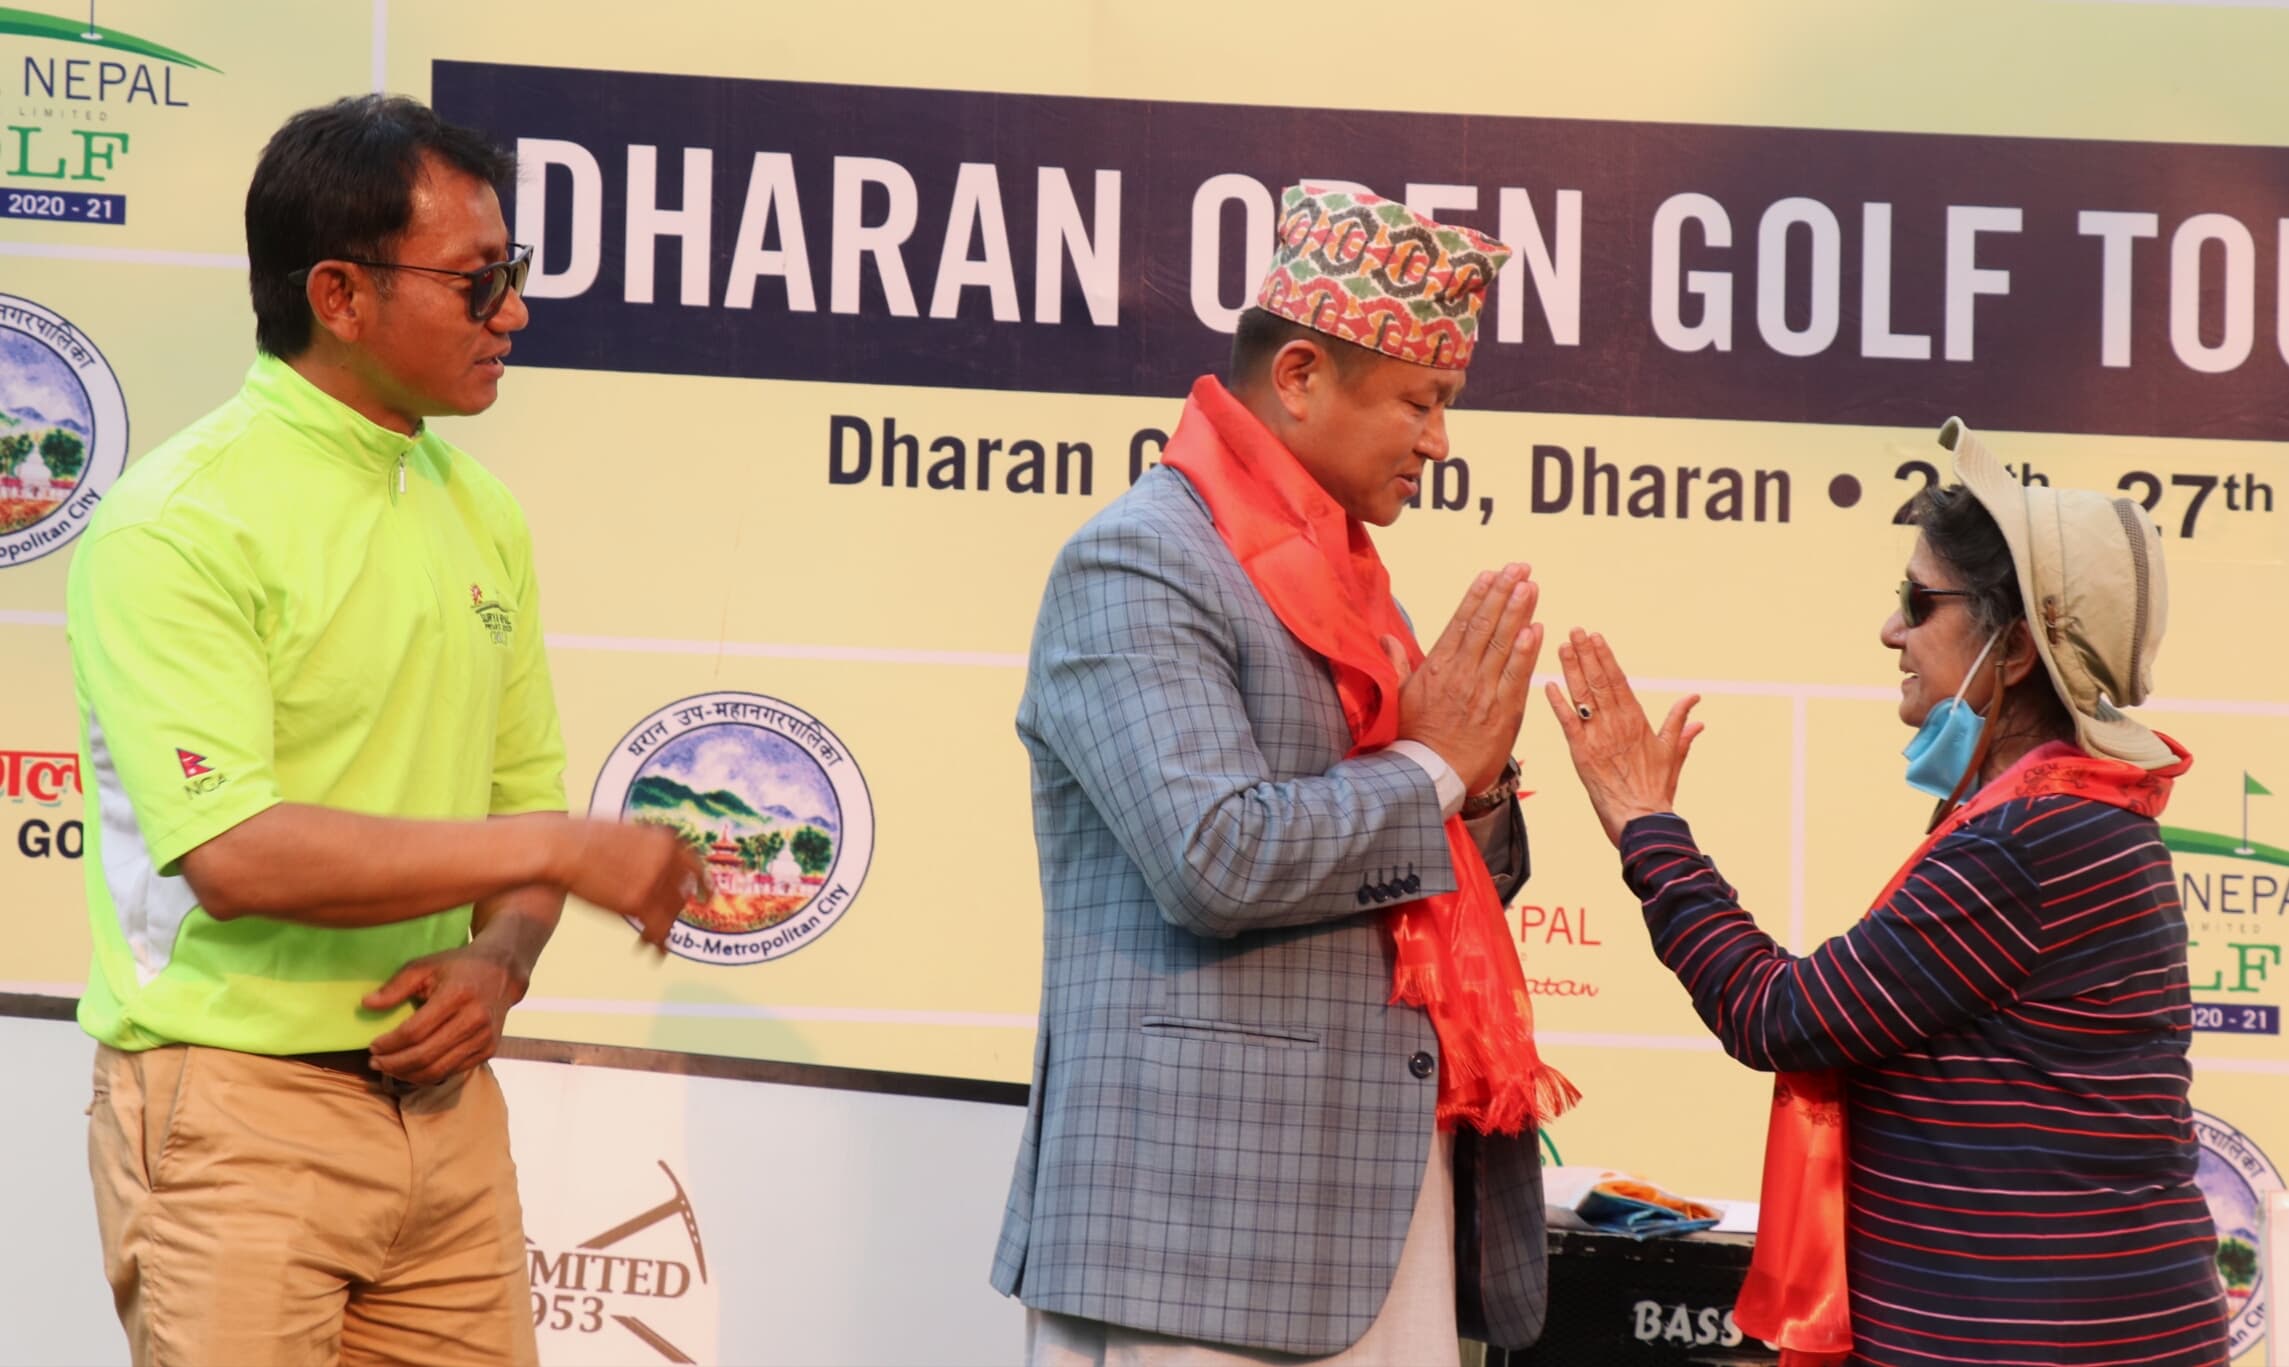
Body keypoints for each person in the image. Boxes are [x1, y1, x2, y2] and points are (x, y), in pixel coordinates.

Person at [66, 94, 704, 1366]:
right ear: (341, 295)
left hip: (447, 1115)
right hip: (237, 1116)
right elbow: (237, 855)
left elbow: (523, 801)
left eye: (513, 272)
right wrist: (562, 852)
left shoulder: (482, 511)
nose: (514, 313)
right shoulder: (177, 521)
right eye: (479, 281)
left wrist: (501, 961)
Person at [991, 182, 1575, 1364]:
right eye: (1421, 400)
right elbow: (1215, 855)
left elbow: (1436, 864)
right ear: (1301, 375)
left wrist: (1475, 783)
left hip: (1374, 1204)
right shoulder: (1140, 562)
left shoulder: (1351, 586)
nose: (1440, 442)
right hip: (1199, 1232)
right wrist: (1431, 764)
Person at [1544, 419, 2230, 1366]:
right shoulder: (2067, 816)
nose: (1890, 630)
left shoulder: (2028, 840)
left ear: (2014, 649)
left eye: (1917, 601)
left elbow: (1779, 1015)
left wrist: (1644, 824)